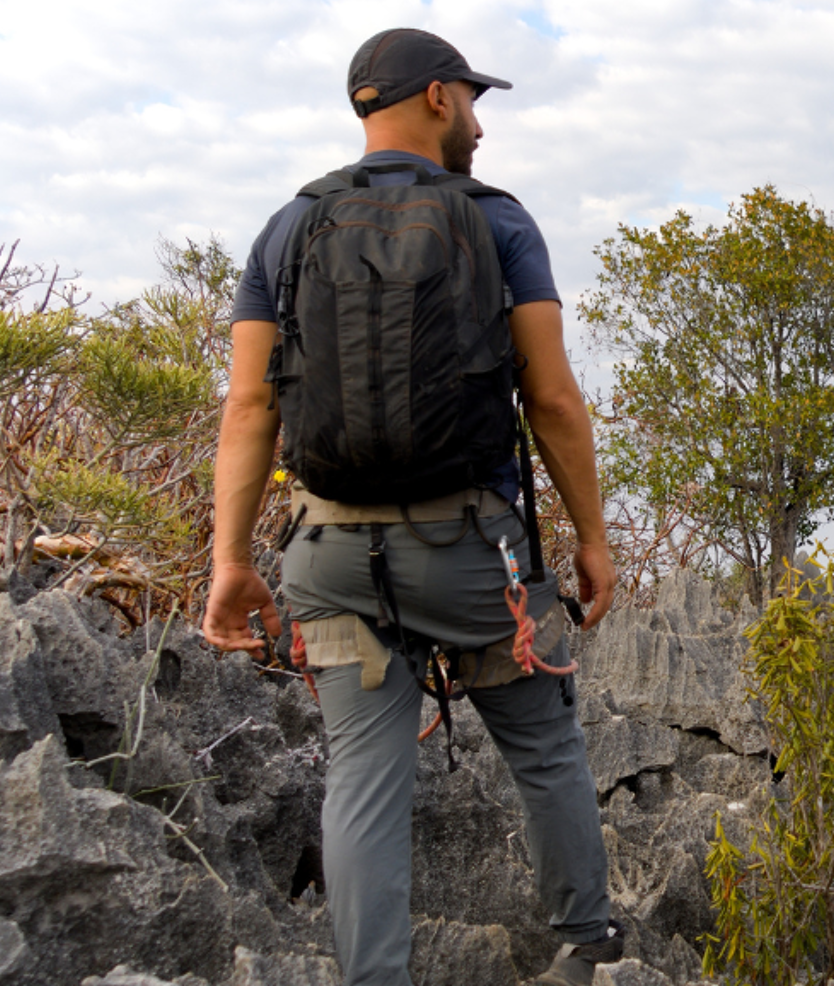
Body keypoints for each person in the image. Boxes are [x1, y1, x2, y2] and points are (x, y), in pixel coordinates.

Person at [201, 28, 621, 986]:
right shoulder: (498, 222)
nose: (478, 121)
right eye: (473, 100)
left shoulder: (288, 228)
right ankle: (587, 944)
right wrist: (591, 538)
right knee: (545, 742)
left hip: (331, 561)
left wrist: (230, 563)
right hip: (475, 561)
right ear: (437, 97)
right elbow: (551, 398)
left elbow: (251, 404)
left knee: (360, 776)